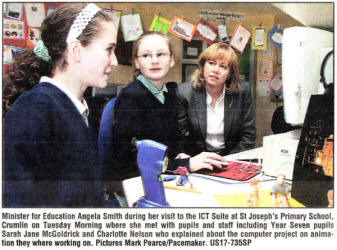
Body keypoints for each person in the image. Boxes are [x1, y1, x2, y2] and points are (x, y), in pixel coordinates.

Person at [3, 3, 118, 207]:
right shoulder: (34, 110)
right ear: (76, 50)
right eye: (109, 50)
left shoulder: (74, 108)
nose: (115, 60)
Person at [109, 31, 225, 181]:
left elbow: (172, 141)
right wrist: (184, 164)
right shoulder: (131, 97)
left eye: (161, 54)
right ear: (137, 62)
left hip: (165, 174)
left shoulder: (170, 94)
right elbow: (129, 160)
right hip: (140, 181)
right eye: (146, 55)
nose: (154, 61)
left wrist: (180, 153)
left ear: (171, 60)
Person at [176, 42, 256, 157]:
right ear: (203, 66)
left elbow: (249, 135)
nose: (216, 70)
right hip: (197, 158)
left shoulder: (242, 92)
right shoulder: (184, 92)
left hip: (231, 157)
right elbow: (180, 136)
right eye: (211, 63)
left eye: (223, 66)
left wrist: (230, 160)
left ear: (229, 73)